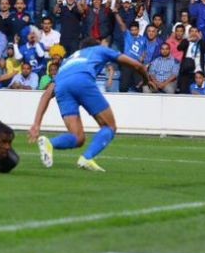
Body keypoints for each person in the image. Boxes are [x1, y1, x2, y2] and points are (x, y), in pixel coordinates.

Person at [29, 37, 149, 172]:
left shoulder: (67, 62)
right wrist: (146, 79)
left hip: (62, 87)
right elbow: (137, 65)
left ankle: (50, 143)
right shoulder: (100, 50)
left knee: (77, 138)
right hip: (82, 79)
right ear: (95, 45)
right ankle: (87, 158)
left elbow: (46, 95)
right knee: (109, 126)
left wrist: (36, 124)